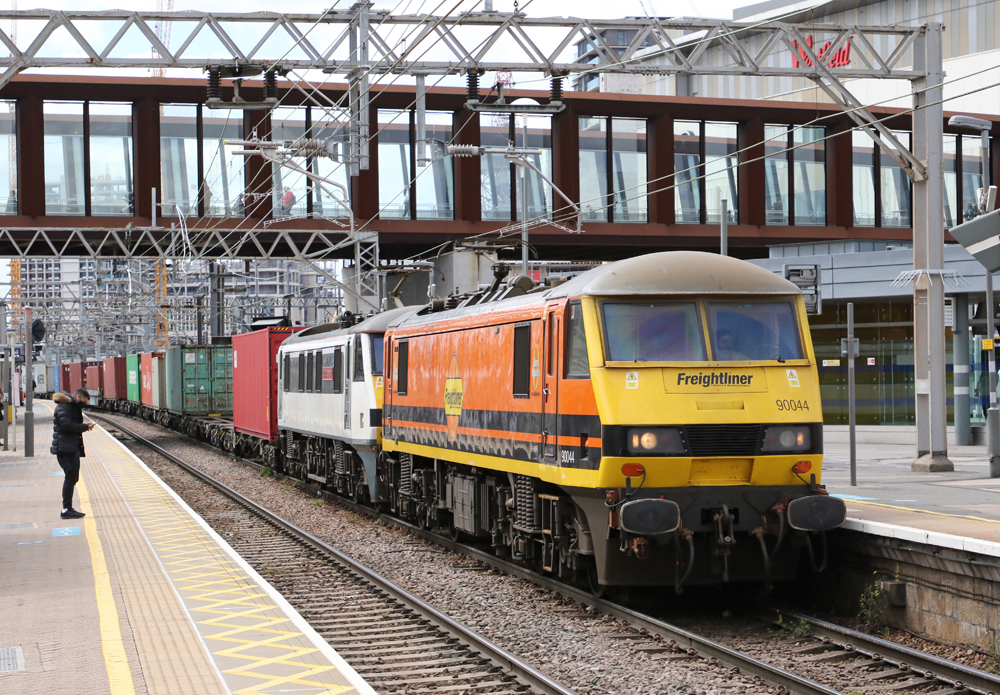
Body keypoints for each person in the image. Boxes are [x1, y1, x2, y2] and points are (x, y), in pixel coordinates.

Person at [51, 388, 94, 519]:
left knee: (73, 477)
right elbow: (66, 425)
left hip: (68, 446)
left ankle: (67, 508)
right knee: (71, 477)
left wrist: (83, 426)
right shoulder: (65, 406)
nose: (84, 405)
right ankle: (66, 509)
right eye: (84, 402)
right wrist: (84, 427)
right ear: (78, 397)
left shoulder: (68, 406)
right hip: (65, 447)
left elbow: (69, 424)